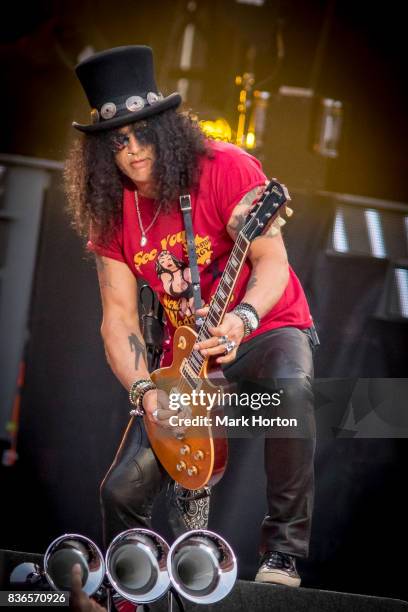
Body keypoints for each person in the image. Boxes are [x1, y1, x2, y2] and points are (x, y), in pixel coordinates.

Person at [65, 45, 317, 589]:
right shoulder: (114, 213)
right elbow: (117, 319)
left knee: (291, 389)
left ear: (167, 128)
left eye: (141, 135)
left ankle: (283, 556)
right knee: (121, 492)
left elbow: (272, 265)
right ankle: (131, 593)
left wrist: (242, 318)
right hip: (185, 362)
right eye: (117, 142)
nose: (131, 151)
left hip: (263, 329)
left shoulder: (226, 167)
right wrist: (144, 392)